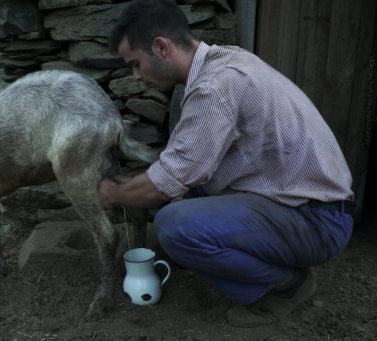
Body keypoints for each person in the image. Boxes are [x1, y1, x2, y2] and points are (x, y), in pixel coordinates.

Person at [99, 0, 355, 327]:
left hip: (317, 221)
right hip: (306, 206)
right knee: (187, 199)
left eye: (135, 64)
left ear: (161, 48)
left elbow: (166, 182)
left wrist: (114, 195)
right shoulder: (226, 64)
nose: (135, 77)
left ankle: (284, 287)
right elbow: (183, 165)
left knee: (173, 226)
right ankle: (255, 266)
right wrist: (137, 185)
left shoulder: (214, 86)